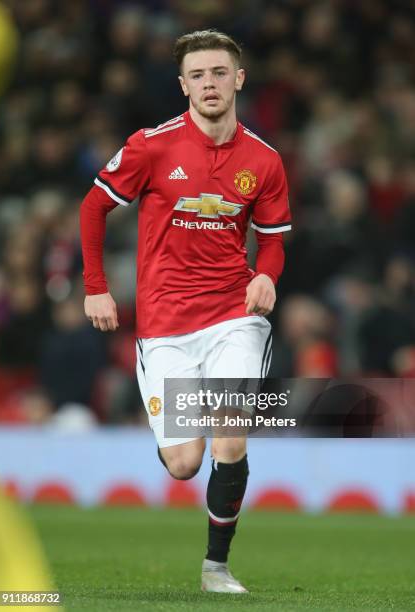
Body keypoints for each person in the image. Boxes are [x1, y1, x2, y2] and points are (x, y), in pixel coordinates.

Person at [80, 29, 291, 593]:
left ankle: (216, 568)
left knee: (230, 436)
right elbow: (94, 206)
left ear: (239, 78)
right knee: (183, 464)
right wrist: (96, 285)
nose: (209, 84)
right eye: (197, 75)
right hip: (165, 323)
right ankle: (174, 422)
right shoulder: (152, 145)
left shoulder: (264, 161)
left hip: (232, 314)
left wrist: (267, 274)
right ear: (183, 86)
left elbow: (271, 239)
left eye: (219, 72)